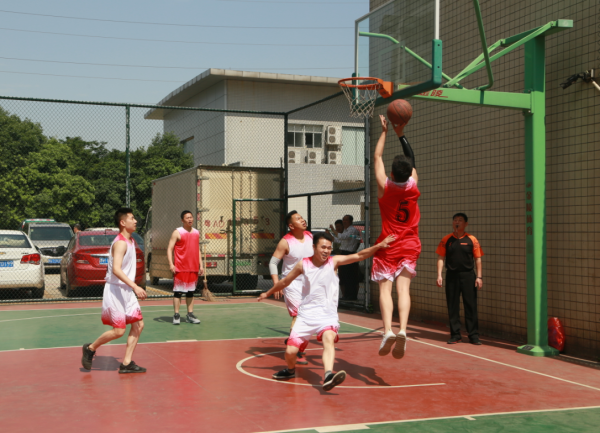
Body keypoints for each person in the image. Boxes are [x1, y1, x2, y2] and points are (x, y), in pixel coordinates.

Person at [258, 232, 395, 391]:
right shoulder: (303, 264)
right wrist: (267, 293)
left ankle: (328, 375)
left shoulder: (334, 262)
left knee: (328, 340)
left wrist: (379, 246)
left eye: (329, 248)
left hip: (327, 316)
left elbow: (359, 255)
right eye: (323, 247)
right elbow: (285, 281)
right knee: (290, 351)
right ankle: (290, 370)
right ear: (314, 247)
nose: (326, 251)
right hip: (305, 316)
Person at [372, 114, 421, 360]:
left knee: (385, 290)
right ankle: (402, 329)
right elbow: (411, 160)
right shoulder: (413, 186)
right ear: (409, 173)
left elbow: (377, 157)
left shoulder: (385, 187)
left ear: (391, 173)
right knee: (404, 290)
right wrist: (401, 134)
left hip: (388, 244)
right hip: (410, 244)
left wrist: (384, 132)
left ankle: (388, 331)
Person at [81, 208, 147, 373]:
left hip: (126, 290)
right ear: (123, 222)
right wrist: (135, 286)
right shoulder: (120, 243)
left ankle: (126, 363)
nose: (135, 221)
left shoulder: (131, 241)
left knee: (139, 325)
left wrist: (131, 287)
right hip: (116, 290)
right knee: (119, 331)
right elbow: (116, 269)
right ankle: (90, 348)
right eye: (132, 218)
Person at [269, 210, 313, 365]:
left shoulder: (310, 236)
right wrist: (277, 284)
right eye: (298, 219)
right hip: (291, 283)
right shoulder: (285, 242)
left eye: (302, 218)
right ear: (291, 226)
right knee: (299, 315)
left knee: (309, 316)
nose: (302, 220)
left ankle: (292, 340)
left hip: (308, 282)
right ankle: (296, 351)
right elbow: (273, 263)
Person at [436, 213, 484, 345]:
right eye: (455, 220)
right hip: (452, 276)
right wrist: (439, 275)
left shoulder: (472, 239)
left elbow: (478, 259)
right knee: (453, 306)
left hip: (468, 276)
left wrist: (479, 277)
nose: (457, 222)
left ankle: (473, 335)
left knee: (471, 305)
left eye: (460, 220)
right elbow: (440, 257)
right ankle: (455, 335)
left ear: (466, 224)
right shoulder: (446, 239)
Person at [167, 210, 204, 325]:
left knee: (190, 292)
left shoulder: (196, 232)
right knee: (178, 292)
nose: (190, 219)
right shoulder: (177, 232)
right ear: (182, 220)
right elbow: (169, 249)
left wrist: (201, 265)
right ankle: (176, 315)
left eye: (191, 217)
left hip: (193, 268)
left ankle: (190, 315)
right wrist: (171, 264)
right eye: (187, 218)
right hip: (180, 267)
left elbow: (197, 249)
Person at [327, 215, 361, 300]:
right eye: (343, 220)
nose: (344, 221)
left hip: (349, 253)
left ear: (351, 221)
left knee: (350, 276)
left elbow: (342, 237)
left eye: (346, 220)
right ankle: (346, 295)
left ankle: (352, 296)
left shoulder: (352, 230)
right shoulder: (346, 230)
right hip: (344, 253)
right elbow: (339, 240)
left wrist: (333, 230)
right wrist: (330, 234)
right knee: (344, 276)